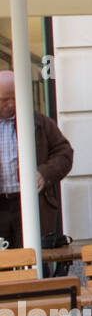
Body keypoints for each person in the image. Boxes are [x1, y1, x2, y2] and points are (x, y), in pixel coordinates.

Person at [0, 70, 73, 249]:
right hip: (1, 204)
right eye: (5, 99)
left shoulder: (39, 122)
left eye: (15, 98)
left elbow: (64, 153)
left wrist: (44, 173)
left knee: (34, 259)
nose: (11, 104)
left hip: (32, 203)